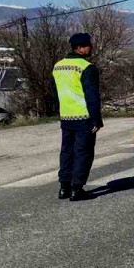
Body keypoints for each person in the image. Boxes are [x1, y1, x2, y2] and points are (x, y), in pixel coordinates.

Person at [52, 32, 103, 201]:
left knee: (67, 152)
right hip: (84, 116)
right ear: (80, 48)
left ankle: (64, 187)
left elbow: (55, 91)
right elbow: (92, 95)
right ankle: (77, 188)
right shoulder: (87, 67)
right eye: (88, 45)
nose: (91, 47)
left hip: (66, 115)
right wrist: (96, 118)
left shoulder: (58, 66)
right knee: (83, 153)